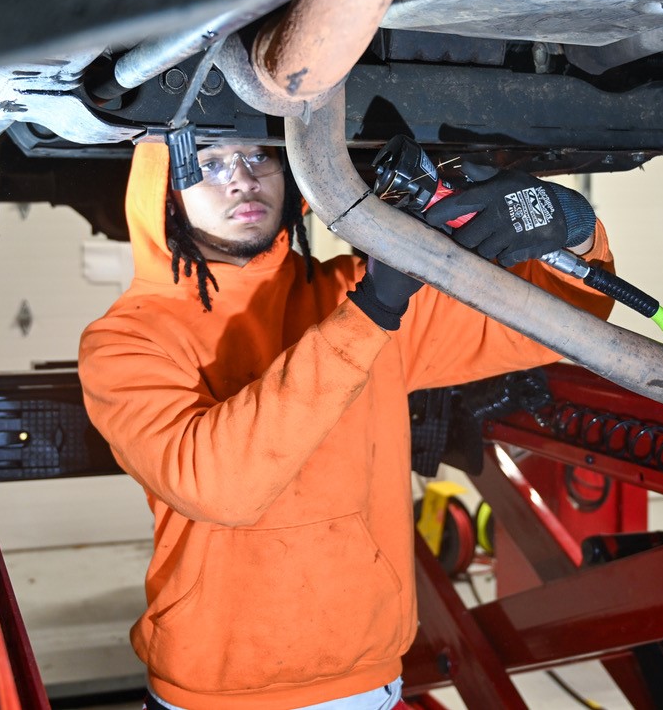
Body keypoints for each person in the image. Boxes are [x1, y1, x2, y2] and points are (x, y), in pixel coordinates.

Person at [78, 139, 616, 710]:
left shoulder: (352, 288)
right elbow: (220, 486)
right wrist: (369, 315)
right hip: (218, 687)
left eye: (260, 156)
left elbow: (562, 318)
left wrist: (572, 225)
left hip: (364, 676)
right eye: (209, 163)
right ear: (161, 188)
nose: (242, 180)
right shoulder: (127, 339)